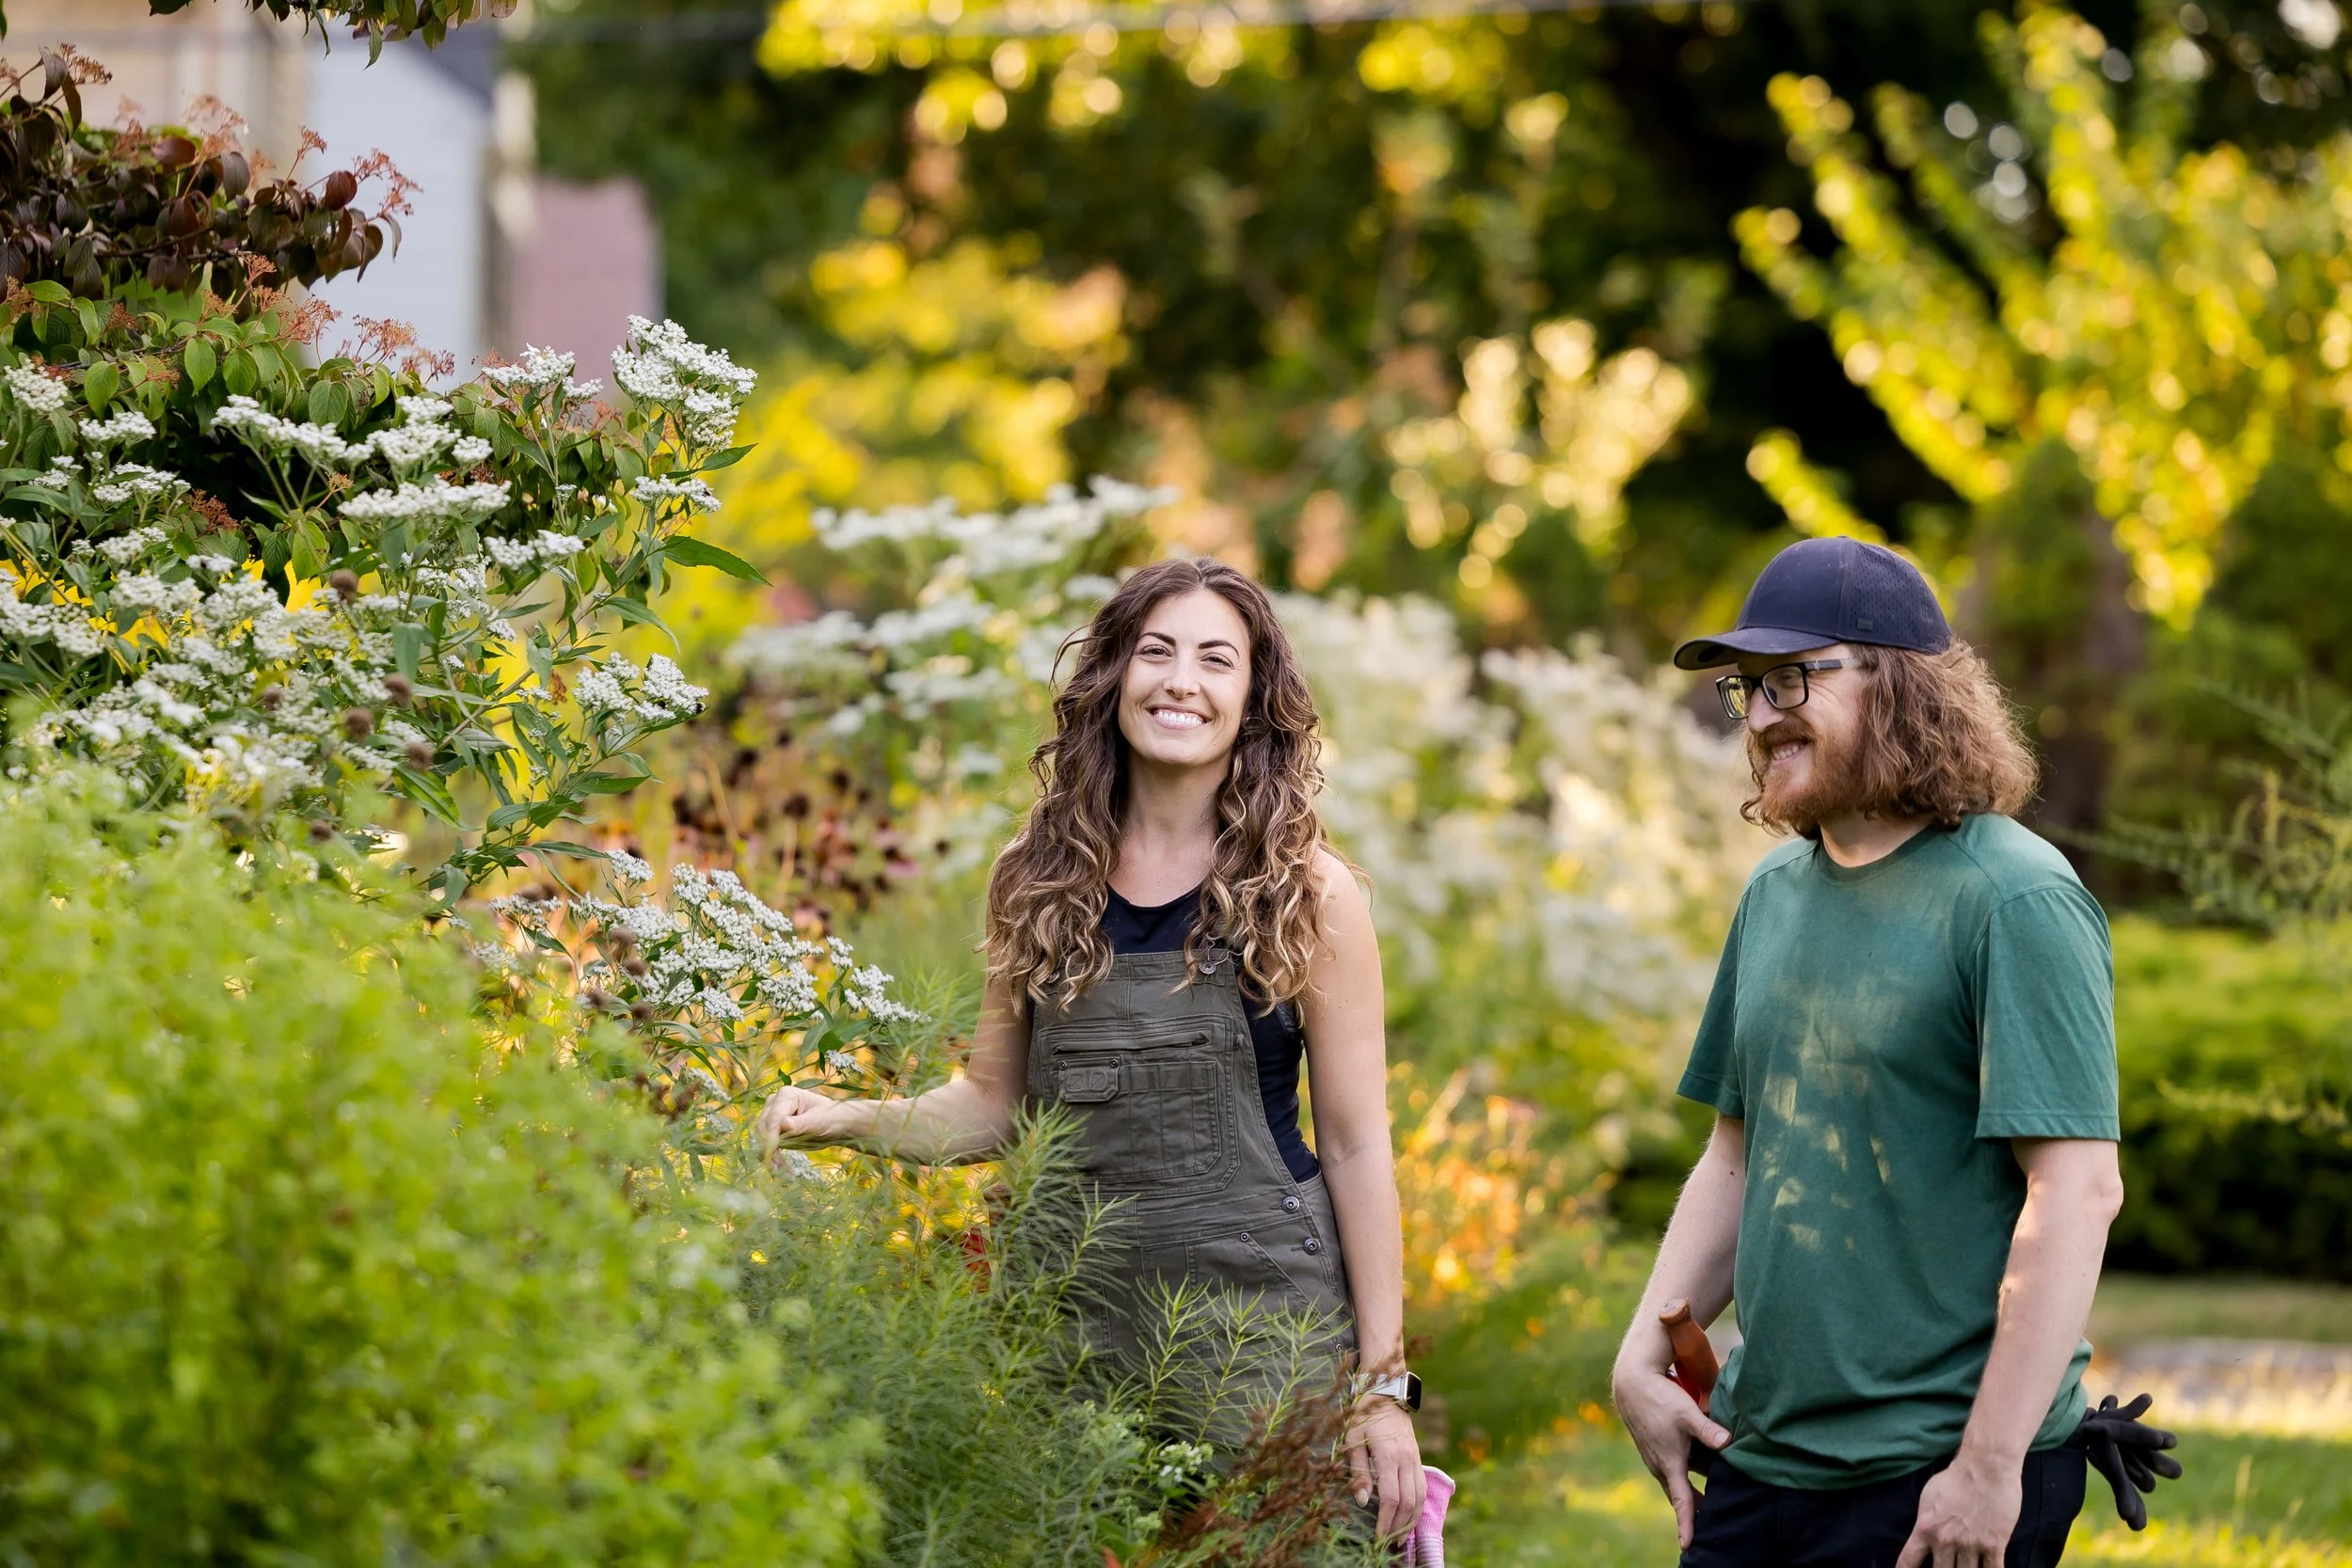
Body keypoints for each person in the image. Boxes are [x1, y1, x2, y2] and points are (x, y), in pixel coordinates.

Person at [757, 557, 1427, 1539]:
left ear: (1253, 699)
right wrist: (848, 1119)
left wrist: (1381, 1384)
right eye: (1154, 651)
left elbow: (1359, 1144)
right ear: (1110, 676)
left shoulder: (1308, 891)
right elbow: (993, 1106)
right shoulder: (1034, 876)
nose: (1180, 682)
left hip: (1264, 1335)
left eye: (1215, 659)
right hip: (1074, 1332)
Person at [1613, 536, 2124, 1568]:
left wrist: (1990, 1466)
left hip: (1935, 1473)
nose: (1761, 715)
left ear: (1899, 686)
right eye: (1746, 688)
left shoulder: (2013, 896)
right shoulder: (1773, 895)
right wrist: (1641, 1353)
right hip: (1764, 1456)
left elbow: (2073, 1194)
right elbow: (1735, 1154)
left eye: (1791, 677)